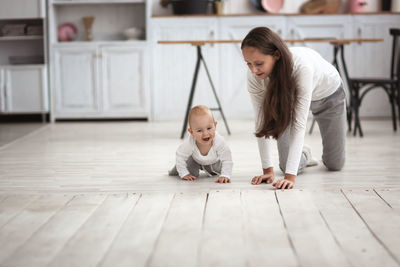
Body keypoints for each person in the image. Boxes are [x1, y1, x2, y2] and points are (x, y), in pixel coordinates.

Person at [241, 27, 346, 190]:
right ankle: (305, 153)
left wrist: (291, 178)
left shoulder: (301, 68)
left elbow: (299, 124)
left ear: (276, 55)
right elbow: (261, 122)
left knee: (335, 164)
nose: (253, 70)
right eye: (248, 63)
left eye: (259, 63)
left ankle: (313, 155)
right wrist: (268, 170)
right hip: (288, 98)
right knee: (286, 165)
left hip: (328, 96)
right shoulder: (255, 76)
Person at [168, 105, 233, 183]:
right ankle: (180, 170)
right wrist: (184, 174)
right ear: (191, 132)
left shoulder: (219, 141)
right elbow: (180, 156)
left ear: (215, 126)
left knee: (220, 169)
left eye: (209, 128)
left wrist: (225, 175)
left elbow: (227, 159)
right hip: (195, 160)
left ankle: (213, 169)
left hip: (214, 161)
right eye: (199, 131)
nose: (205, 134)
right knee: (190, 174)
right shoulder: (189, 143)